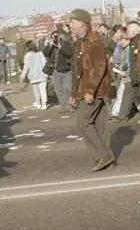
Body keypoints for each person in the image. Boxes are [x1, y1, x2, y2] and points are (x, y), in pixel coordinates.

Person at [69, 9, 114, 172]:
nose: (70, 25)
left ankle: (102, 156)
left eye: (72, 22)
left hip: (95, 89)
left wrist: (89, 90)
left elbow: (99, 66)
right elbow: (77, 70)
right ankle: (108, 159)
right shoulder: (80, 41)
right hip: (88, 89)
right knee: (100, 126)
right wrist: (74, 93)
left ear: (82, 23)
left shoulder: (93, 39)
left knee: (82, 122)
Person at [44, 26, 74, 113]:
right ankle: (63, 106)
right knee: (58, 90)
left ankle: (68, 105)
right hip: (56, 70)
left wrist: (61, 47)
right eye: (54, 37)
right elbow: (45, 53)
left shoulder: (66, 44)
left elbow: (69, 53)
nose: (56, 39)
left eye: (57, 37)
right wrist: (50, 45)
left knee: (68, 88)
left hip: (66, 69)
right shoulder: (51, 46)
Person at [20, 40, 49, 109]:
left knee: (36, 91)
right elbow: (45, 62)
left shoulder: (27, 55)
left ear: (27, 47)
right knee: (43, 90)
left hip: (33, 75)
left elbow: (26, 67)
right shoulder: (40, 53)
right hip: (42, 74)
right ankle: (44, 104)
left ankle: (38, 103)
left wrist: (22, 76)